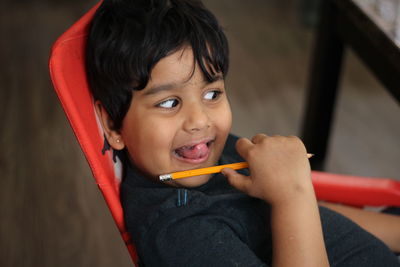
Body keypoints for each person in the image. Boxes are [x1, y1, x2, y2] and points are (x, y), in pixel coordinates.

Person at [85, 0, 400, 266]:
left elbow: (317, 219)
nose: (199, 119)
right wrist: (292, 195)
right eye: (169, 102)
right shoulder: (182, 233)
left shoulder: (210, 156)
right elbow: (296, 208)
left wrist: (295, 193)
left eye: (212, 94)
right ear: (113, 125)